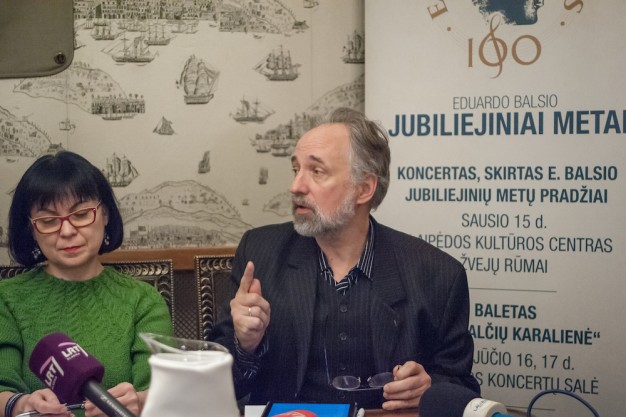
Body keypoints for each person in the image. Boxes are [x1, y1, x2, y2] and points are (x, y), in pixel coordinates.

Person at [210, 107, 479, 410]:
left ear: (364, 188)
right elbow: (215, 383)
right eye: (296, 169)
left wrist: (429, 389)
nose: (296, 186)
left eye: (316, 171)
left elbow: (463, 387)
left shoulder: (437, 275)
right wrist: (245, 346)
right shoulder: (260, 253)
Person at [0, 151, 172, 417]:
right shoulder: (7, 299)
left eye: (80, 215)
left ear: (105, 214)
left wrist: (138, 402)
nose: (67, 231)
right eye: (48, 221)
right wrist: (22, 405)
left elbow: (165, 391)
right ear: (32, 230)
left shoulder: (143, 301)